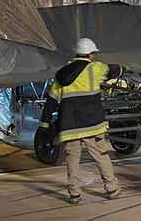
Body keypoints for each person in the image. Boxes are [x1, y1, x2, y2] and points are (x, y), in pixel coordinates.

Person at [39, 38, 124, 204]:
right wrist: (123, 69)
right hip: (93, 125)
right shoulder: (95, 68)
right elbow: (113, 70)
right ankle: (112, 189)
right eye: (94, 54)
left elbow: (50, 103)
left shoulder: (61, 76)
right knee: (101, 156)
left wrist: (44, 126)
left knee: (72, 159)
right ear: (91, 54)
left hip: (70, 127)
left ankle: (75, 194)